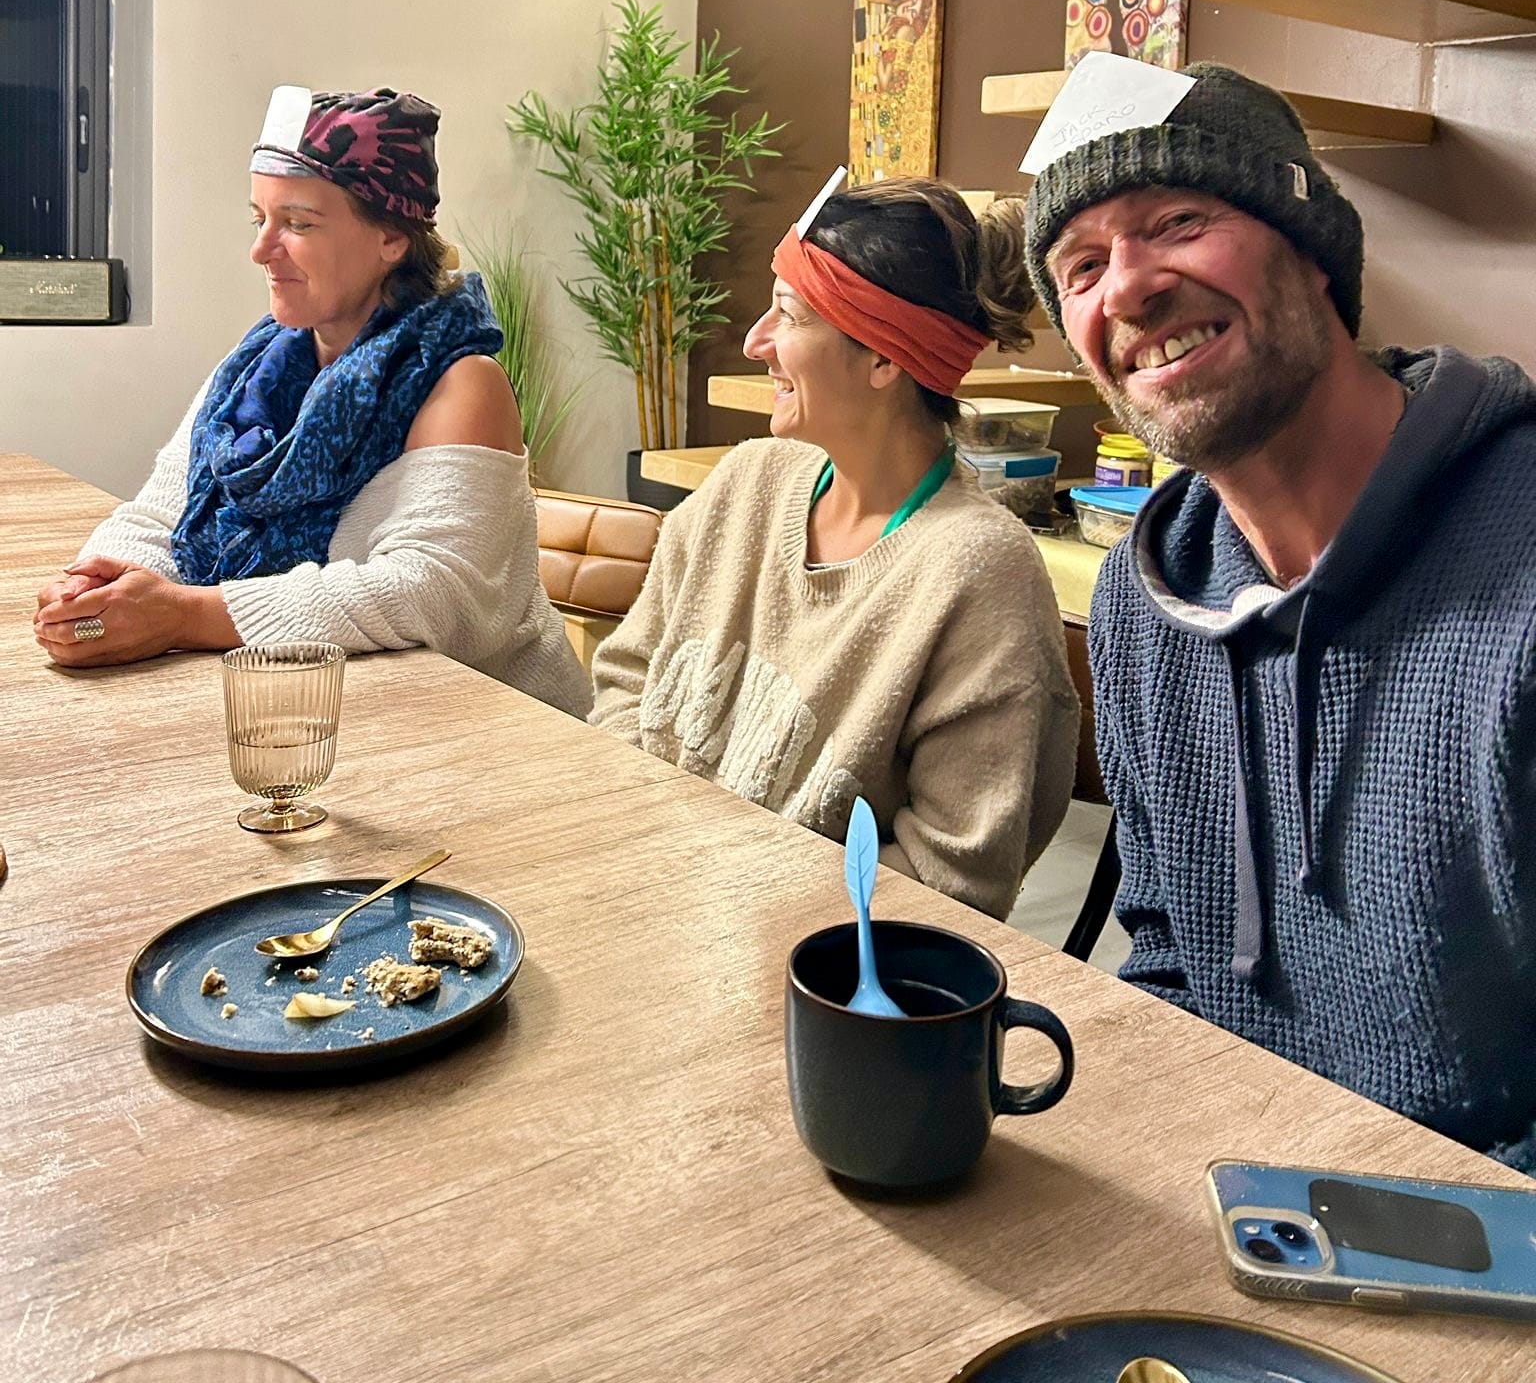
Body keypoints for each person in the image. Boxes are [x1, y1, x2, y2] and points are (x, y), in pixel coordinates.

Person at [1023, 59, 1536, 1164]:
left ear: (1313, 248)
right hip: (1246, 1204)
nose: (1128, 290)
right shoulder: (1144, 605)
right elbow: (1168, 957)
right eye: (1082, 267)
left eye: (1179, 221)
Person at [590, 177, 1080, 919]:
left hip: (808, 962)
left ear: (884, 358)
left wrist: (724, 897)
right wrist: (659, 856)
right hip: (643, 900)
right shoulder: (747, 481)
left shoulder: (978, 572)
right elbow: (627, 678)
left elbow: (950, 882)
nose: (755, 341)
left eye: (788, 314)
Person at [33, 85, 589, 717]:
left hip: (495, 728)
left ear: (392, 237)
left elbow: (433, 591)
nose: (261, 250)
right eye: (260, 220)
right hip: (314, 708)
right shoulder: (254, 370)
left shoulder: (461, 381)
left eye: (298, 224)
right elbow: (160, 515)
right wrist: (94, 589)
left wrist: (183, 616)